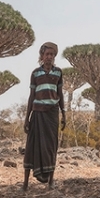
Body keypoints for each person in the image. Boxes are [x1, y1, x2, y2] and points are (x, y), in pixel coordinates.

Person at [23, 41, 66, 190]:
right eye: (47, 54)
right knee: (32, 146)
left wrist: (64, 114)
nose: (49, 57)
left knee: (51, 146)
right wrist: (27, 118)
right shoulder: (35, 73)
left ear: (54, 56)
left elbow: (60, 94)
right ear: (42, 56)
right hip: (37, 113)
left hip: (52, 114)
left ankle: (51, 181)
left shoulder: (58, 72)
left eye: (52, 54)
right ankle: (25, 184)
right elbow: (31, 96)